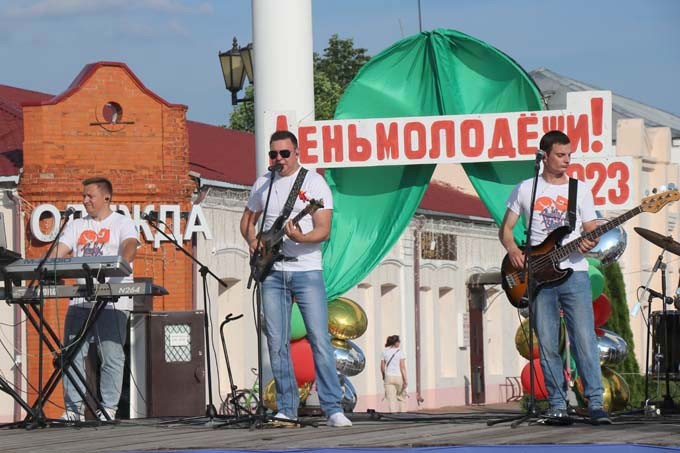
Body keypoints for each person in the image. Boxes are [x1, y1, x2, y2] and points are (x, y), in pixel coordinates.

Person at [240, 130, 352, 428]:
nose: (279, 160)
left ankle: (332, 408)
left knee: (319, 338)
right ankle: (286, 408)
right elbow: (248, 220)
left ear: (296, 152)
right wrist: (253, 242)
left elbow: (323, 229)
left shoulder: (314, 183)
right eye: (273, 154)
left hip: (306, 269)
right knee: (277, 341)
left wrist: (301, 237)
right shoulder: (263, 183)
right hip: (273, 272)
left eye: (284, 154)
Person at [499, 130, 610, 425]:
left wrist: (590, 242)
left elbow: (590, 230)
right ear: (544, 156)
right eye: (560, 155)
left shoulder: (580, 190)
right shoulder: (525, 189)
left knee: (584, 340)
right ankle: (558, 404)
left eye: (569, 155)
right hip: (536, 276)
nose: (567, 161)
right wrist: (512, 250)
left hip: (574, 274)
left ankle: (595, 403)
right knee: (547, 343)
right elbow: (507, 229)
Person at [54, 177, 139, 422]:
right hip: (81, 298)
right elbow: (60, 251)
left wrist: (117, 265)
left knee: (110, 355)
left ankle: (108, 408)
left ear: (106, 197)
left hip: (113, 299)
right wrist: (52, 268)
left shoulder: (123, 222)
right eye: (83, 196)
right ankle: (73, 409)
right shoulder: (76, 225)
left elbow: (130, 247)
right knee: (71, 354)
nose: (85, 200)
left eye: (90, 196)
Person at [380, 335, 407, 413]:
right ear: (396, 342)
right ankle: (403, 414)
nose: (399, 343)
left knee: (391, 398)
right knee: (401, 397)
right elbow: (402, 367)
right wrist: (405, 380)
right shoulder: (400, 352)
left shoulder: (384, 352)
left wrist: (384, 376)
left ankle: (393, 415)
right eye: (399, 341)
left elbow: (382, 367)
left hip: (388, 377)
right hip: (399, 377)